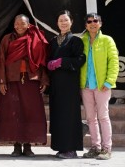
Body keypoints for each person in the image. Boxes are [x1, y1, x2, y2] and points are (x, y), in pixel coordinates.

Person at [0, 14, 48, 157]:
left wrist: (44, 80)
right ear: (13, 25)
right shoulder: (7, 39)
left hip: (31, 80)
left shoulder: (35, 39)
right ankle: (17, 145)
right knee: (14, 113)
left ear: (28, 25)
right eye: (17, 23)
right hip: (12, 81)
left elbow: (42, 60)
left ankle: (28, 145)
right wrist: (1, 81)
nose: (19, 26)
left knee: (31, 113)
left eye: (22, 23)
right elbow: (1, 60)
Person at [47, 10, 86, 159]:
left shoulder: (76, 41)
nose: (63, 23)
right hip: (56, 85)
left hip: (69, 85)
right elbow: (48, 58)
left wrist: (62, 62)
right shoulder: (52, 41)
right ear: (57, 23)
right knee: (58, 116)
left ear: (71, 22)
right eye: (60, 20)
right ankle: (61, 147)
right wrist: (49, 63)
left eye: (66, 20)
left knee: (69, 116)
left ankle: (71, 149)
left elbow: (80, 60)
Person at [80, 13, 119, 160]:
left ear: (100, 23)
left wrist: (109, 81)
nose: (92, 23)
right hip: (86, 86)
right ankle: (95, 147)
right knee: (90, 118)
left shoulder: (107, 40)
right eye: (89, 21)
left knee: (103, 116)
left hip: (102, 85)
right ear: (86, 25)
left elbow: (114, 62)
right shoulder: (81, 40)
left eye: (95, 21)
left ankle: (106, 148)